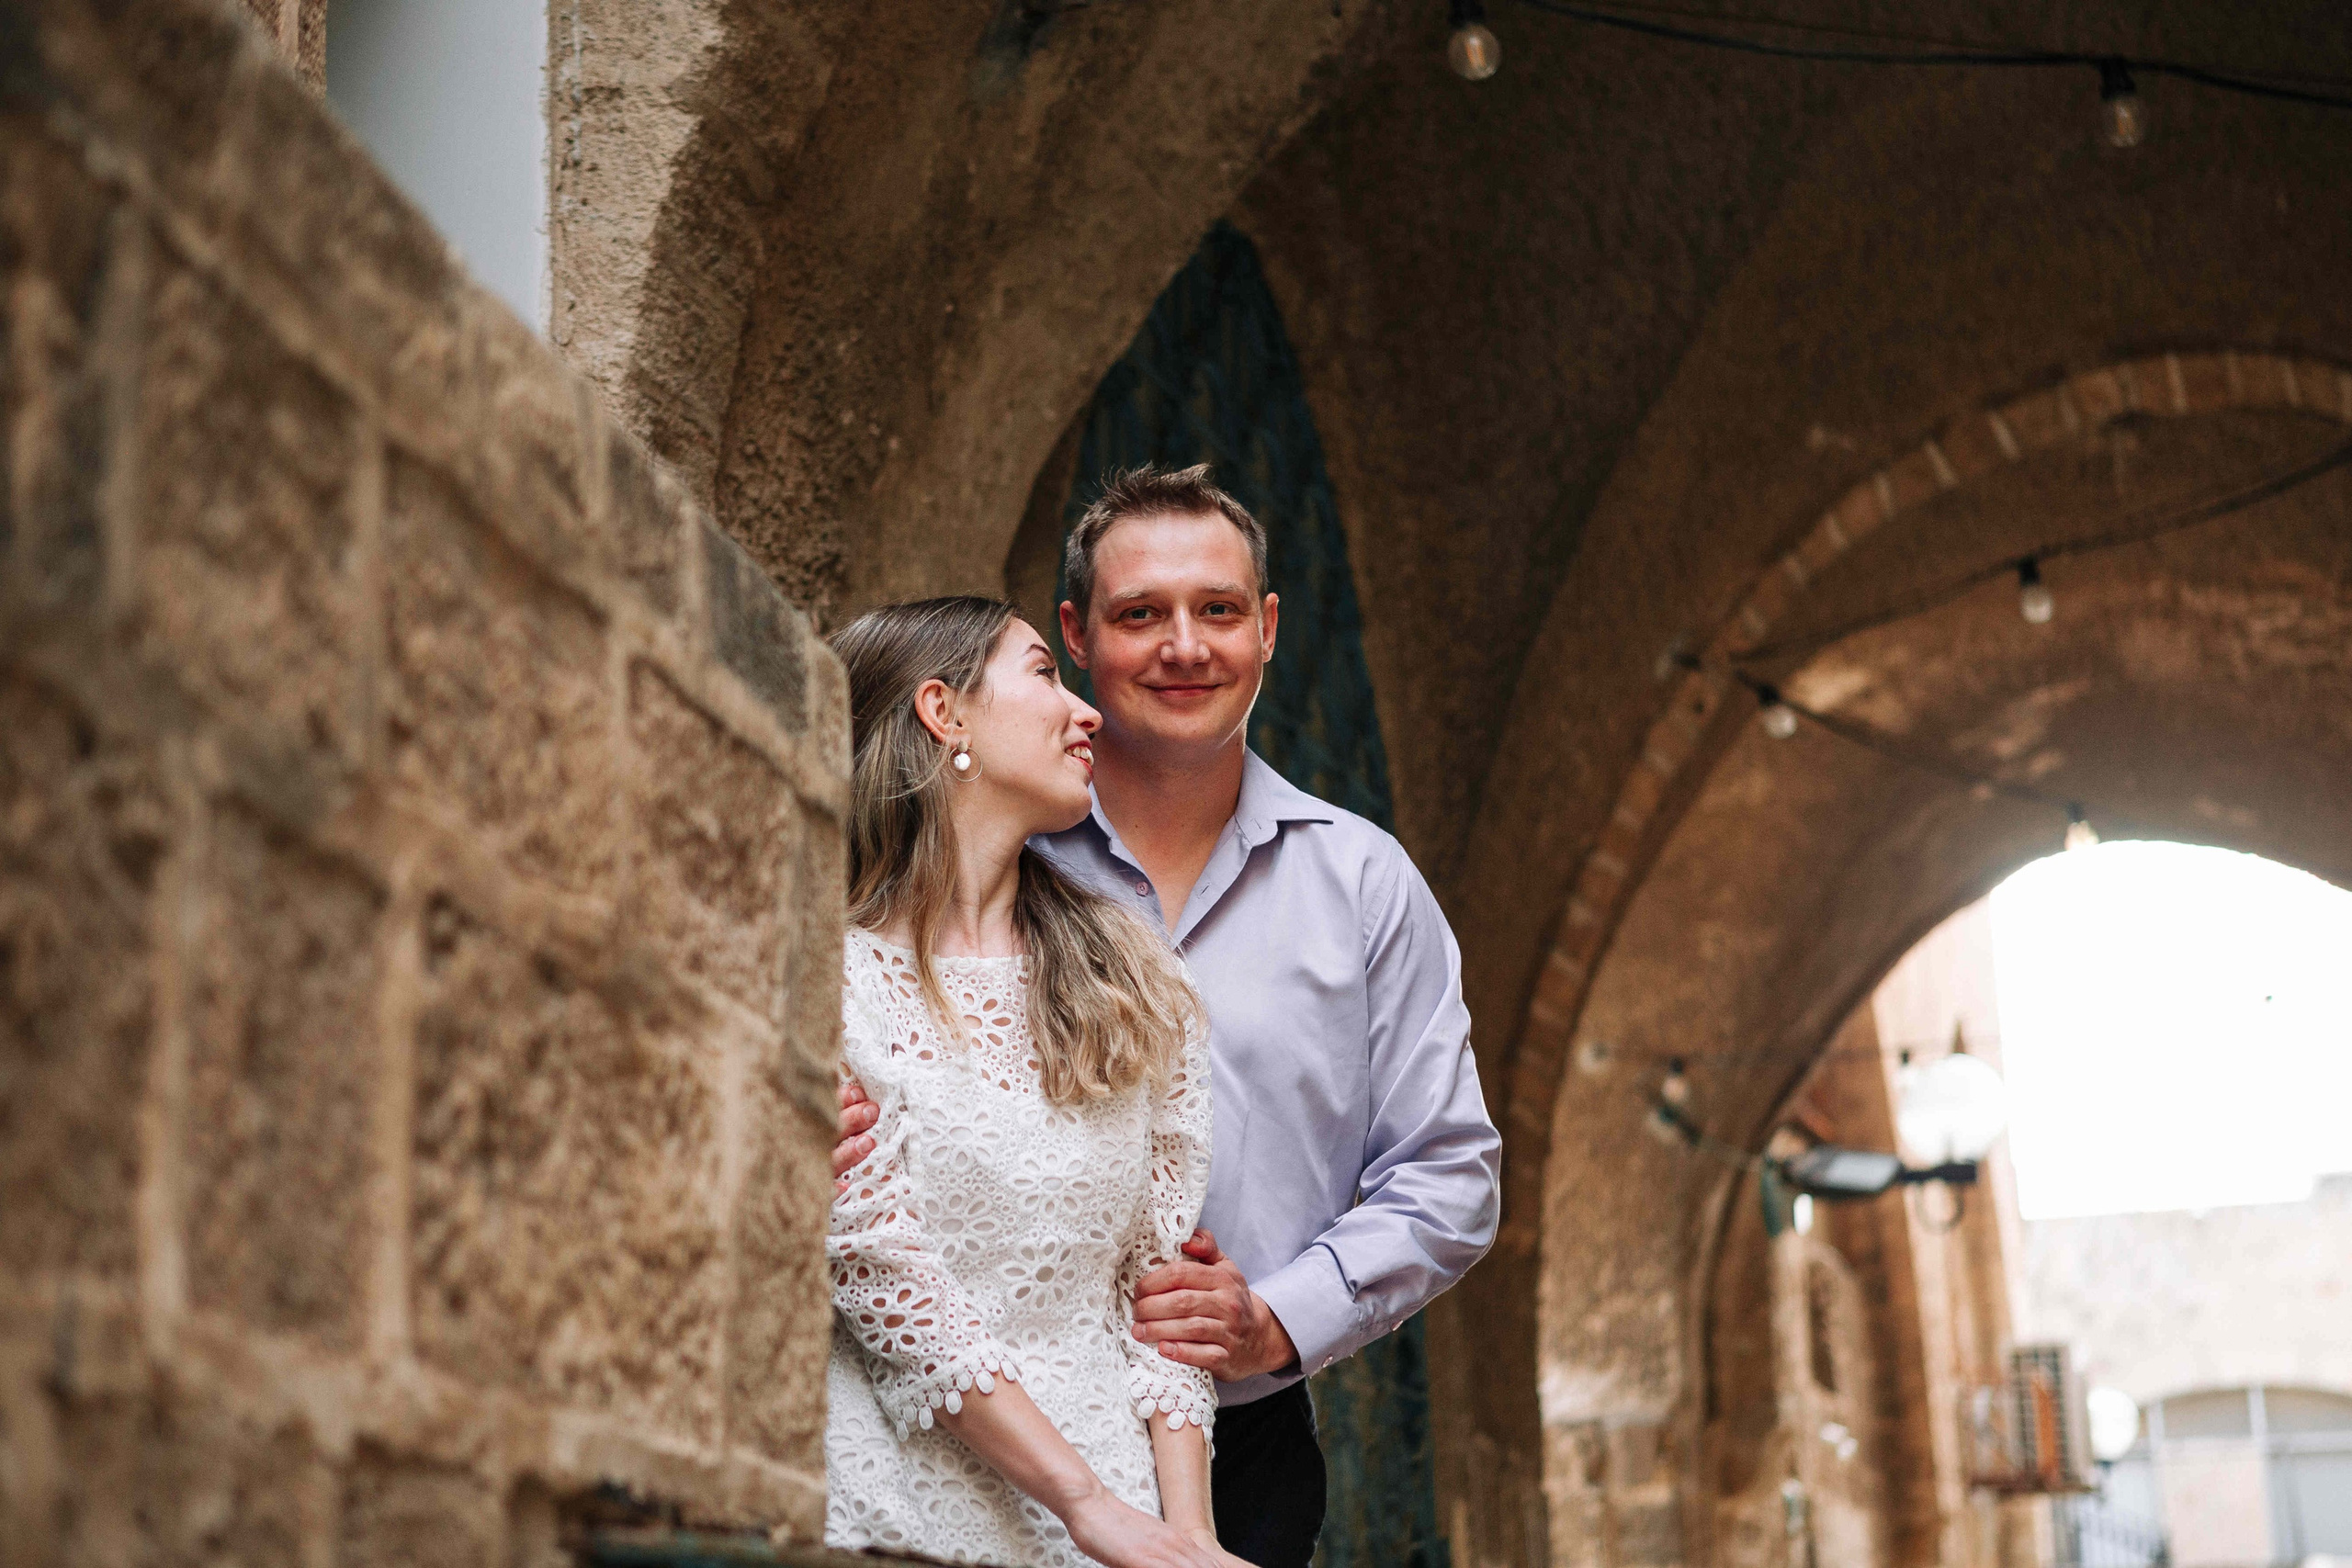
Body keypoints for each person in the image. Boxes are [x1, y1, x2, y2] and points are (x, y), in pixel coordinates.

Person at [834, 467, 1503, 1568]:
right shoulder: (988, 844)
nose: (1183, 646)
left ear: (1269, 628)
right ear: (1079, 635)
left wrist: (1274, 1320)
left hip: (1224, 1433)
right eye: (1140, 614)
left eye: (1220, 610)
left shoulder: (1364, 883)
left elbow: (1449, 1173)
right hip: (919, 1439)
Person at [823, 596, 1253, 1568]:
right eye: (1043, 674)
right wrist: (1082, 1504)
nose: (1087, 711)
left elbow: (1158, 1288)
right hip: (895, 1508)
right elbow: (882, 1272)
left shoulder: (1136, 980)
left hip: (1128, 1525)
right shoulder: (826, 981)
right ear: (945, 712)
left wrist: (1186, 1535)